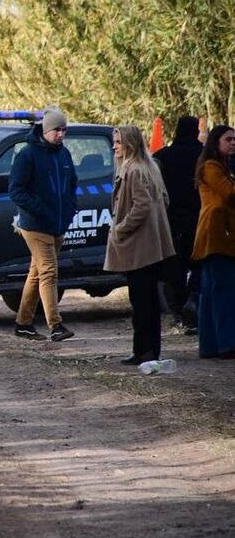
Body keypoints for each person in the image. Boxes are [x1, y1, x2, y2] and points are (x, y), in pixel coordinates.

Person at [104, 125, 176, 364]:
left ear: (130, 144)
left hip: (139, 247)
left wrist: (121, 228)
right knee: (148, 301)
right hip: (149, 244)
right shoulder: (150, 167)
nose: (114, 146)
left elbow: (141, 206)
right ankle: (147, 350)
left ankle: (144, 351)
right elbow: (163, 200)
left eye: (118, 142)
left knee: (142, 301)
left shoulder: (134, 170)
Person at [8, 107, 77, 342]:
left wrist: (69, 211)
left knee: (37, 273)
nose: (61, 134)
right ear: (46, 130)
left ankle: (23, 323)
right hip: (35, 226)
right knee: (49, 271)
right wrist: (39, 209)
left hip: (57, 225)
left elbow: (71, 186)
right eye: (56, 130)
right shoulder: (27, 155)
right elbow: (16, 191)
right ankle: (56, 325)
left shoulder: (64, 155)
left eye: (64, 129)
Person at [153, 115, 203, 332]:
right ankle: (194, 307)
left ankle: (181, 313)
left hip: (172, 222)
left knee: (175, 271)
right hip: (202, 221)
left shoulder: (163, 157)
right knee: (201, 266)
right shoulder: (205, 156)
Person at [191, 125, 235, 358]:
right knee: (223, 291)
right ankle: (226, 344)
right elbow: (229, 194)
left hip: (217, 235)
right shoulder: (211, 167)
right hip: (218, 236)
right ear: (216, 142)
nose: (233, 143)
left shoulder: (219, 167)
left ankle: (210, 345)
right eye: (228, 139)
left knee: (210, 292)